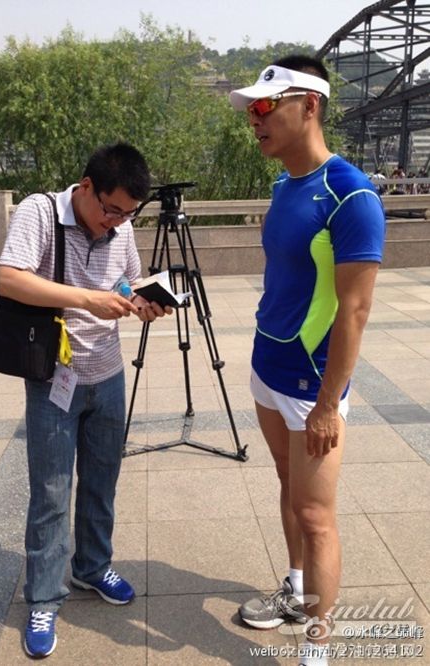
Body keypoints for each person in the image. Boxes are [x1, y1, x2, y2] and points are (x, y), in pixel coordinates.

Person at [229, 56, 385, 666]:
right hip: (267, 364)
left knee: (316, 515)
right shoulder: (282, 186)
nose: (255, 119)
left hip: (311, 382)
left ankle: (317, 650)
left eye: (266, 107)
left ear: (310, 106)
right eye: (252, 109)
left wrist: (327, 405)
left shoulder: (351, 195)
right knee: (286, 484)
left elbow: (355, 312)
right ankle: (296, 589)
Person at [0, 142, 170, 659]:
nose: (115, 222)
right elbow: (9, 278)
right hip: (54, 376)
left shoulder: (122, 227)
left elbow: (126, 281)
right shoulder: (40, 211)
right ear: (87, 187)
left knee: (102, 479)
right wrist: (88, 299)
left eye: (128, 214)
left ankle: (92, 567)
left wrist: (142, 301)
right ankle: (44, 597)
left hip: (108, 374)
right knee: (51, 492)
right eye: (110, 210)